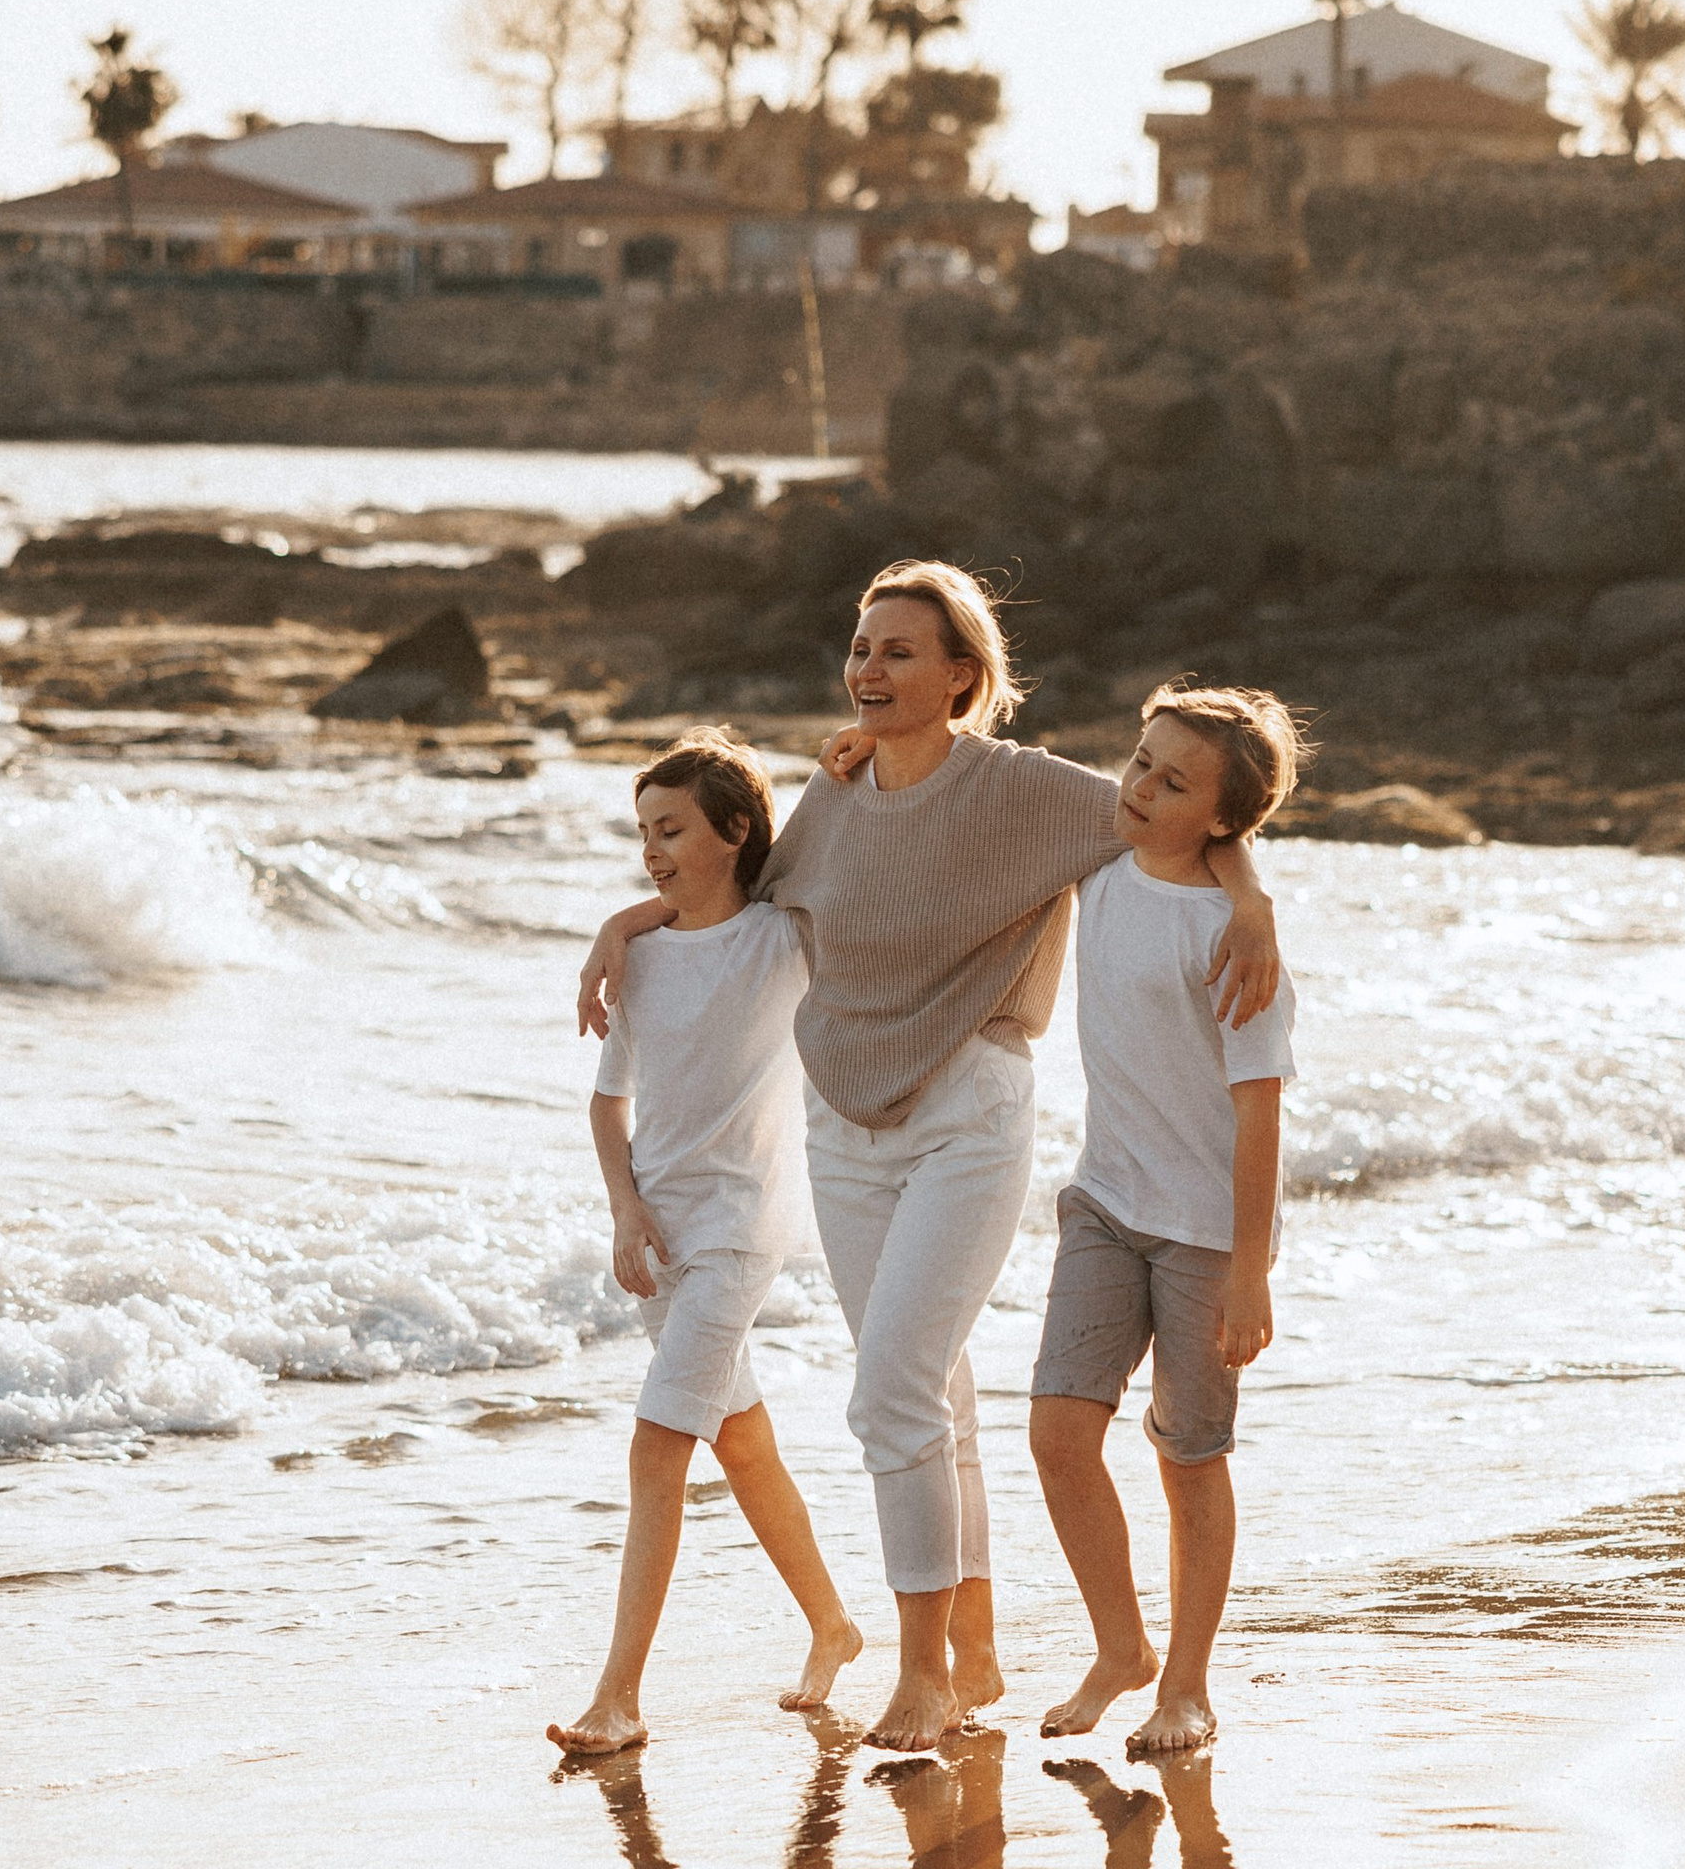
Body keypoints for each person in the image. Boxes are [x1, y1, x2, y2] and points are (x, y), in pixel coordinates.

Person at [581, 564, 1281, 1755]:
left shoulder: (1024, 791)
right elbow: (739, 893)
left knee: (889, 1391)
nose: (868, 670)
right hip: (842, 1128)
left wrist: (1251, 893)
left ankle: (919, 1678)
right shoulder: (836, 793)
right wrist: (621, 924)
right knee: (934, 1388)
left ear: (963, 676)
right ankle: (974, 1641)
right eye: (860, 647)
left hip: (969, 1109)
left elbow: (1168, 822)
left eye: (899, 652)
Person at [547, 737, 864, 1758]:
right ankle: (833, 1625)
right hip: (663, 1235)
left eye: (670, 829)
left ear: (733, 832)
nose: (650, 851)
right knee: (742, 1441)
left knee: (656, 1447)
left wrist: (842, 762)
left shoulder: (781, 940)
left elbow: (836, 837)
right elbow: (609, 1105)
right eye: (641, 832)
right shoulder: (636, 958)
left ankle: (619, 1698)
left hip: (739, 1231)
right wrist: (624, 1211)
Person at [1028, 683, 1299, 1759]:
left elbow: (1259, 1119)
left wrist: (1250, 1271)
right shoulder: (1100, 865)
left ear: (1224, 819)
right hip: (1102, 1202)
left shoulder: (1241, 948)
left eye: (1171, 781)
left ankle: (1184, 1684)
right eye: (1139, 760)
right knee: (1057, 1435)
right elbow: (978, 779)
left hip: (1202, 1235)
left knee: (1189, 1458)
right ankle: (1119, 1646)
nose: (1138, 787)